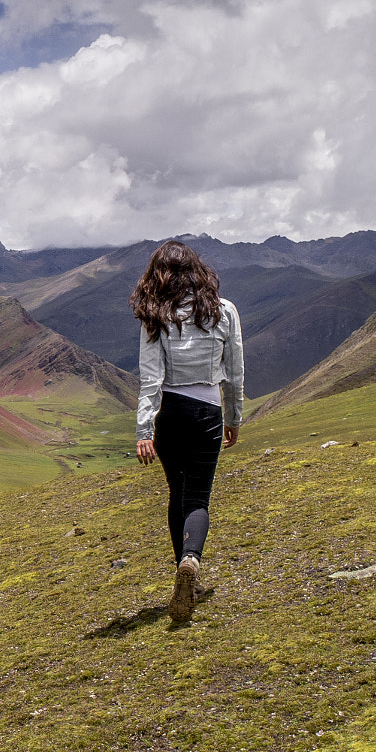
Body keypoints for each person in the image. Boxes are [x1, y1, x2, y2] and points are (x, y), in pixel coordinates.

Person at [130, 241, 244, 620]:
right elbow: (236, 370)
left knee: (176, 494)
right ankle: (191, 562)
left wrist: (144, 430)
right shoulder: (224, 311)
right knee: (197, 497)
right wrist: (234, 417)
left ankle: (185, 571)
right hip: (208, 411)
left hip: (170, 413)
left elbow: (150, 379)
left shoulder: (155, 314)